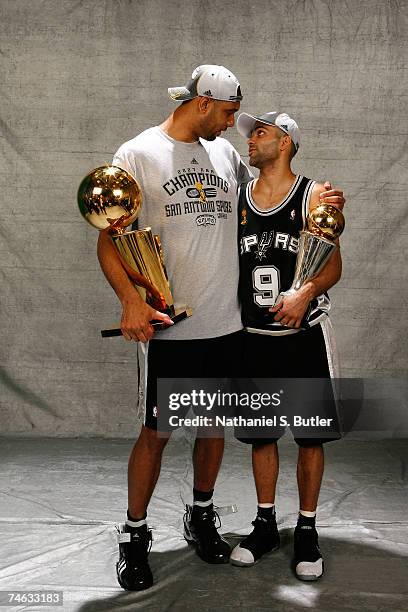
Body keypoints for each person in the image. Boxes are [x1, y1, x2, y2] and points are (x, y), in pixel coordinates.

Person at [97, 65, 344, 591]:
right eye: (231, 114)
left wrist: (324, 201)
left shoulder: (226, 156)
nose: (235, 126)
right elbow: (108, 238)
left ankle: (203, 515)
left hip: (231, 326)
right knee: (157, 433)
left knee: (212, 430)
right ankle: (134, 535)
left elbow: (275, 202)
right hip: (173, 323)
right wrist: (129, 302)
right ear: (204, 102)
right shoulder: (137, 154)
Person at [229, 111, 343, 581]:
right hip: (253, 337)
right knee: (261, 437)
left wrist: (304, 293)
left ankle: (308, 528)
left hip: (301, 337)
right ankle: (265, 523)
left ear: (287, 142)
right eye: (251, 134)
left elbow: (332, 267)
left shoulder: (314, 195)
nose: (251, 141)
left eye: (261, 133)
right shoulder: (239, 198)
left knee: (310, 436)